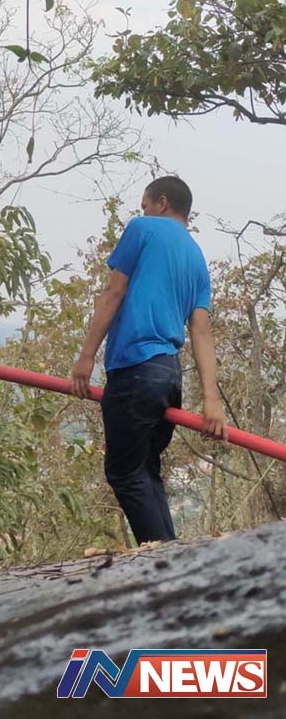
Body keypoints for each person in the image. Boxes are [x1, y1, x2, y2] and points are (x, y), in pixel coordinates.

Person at [70, 176, 227, 546]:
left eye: (144, 205)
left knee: (125, 473)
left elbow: (114, 292)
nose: (141, 212)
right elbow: (201, 331)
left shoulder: (143, 229)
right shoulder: (196, 257)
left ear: (162, 202)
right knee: (145, 470)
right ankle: (173, 557)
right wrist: (211, 399)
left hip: (136, 370)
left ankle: (167, 563)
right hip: (169, 377)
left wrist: (86, 356)